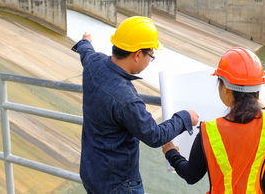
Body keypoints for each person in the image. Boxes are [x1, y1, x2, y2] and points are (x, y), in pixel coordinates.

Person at [72, 16, 199, 194]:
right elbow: (155, 135)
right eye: (151, 55)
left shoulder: (94, 64)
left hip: (92, 173)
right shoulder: (127, 99)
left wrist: (85, 41)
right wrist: (185, 117)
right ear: (138, 54)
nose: (150, 60)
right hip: (119, 184)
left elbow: (86, 51)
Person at [162, 47, 265, 194]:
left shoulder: (210, 131)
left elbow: (191, 175)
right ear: (257, 89)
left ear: (226, 88)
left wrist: (171, 153)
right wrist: (263, 107)